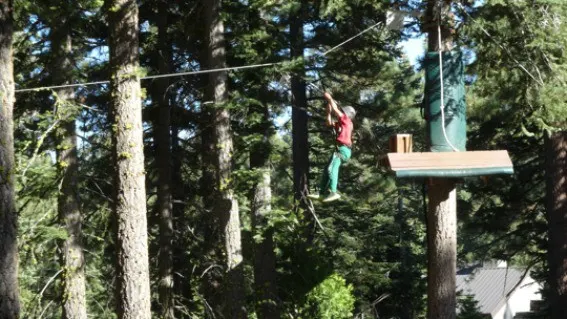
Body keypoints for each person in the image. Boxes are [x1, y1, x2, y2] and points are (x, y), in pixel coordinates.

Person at [309, 92, 356, 202]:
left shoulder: (347, 121)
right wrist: (328, 113)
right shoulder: (342, 124)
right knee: (327, 169)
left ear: (347, 115)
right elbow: (329, 124)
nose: (341, 114)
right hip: (341, 150)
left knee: (331, 168)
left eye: (343, 113)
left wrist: (330, 98)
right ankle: (321, 192)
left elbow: (337, 111)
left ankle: (333, 192)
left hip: (343, 149)